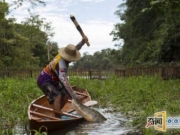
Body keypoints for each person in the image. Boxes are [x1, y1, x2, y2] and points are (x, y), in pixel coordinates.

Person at [37, 37, 88, 118]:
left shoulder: (64, 55)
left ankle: (56, 112)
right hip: (44, 80)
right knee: (57, 96)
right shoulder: (62, 66)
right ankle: (57, 116)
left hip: (53, 81)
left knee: (66, 94)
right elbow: (65, 82)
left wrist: (82, 42)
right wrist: (75, 96)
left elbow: (73, 50)